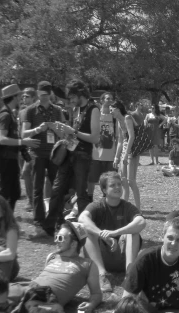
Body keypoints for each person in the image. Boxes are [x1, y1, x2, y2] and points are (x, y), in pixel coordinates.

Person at [45, 79, 99, 233]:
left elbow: (95, 138)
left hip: (82, 156)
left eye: (72, 97)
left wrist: (73, 131)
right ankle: (53, 224)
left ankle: (84, 229)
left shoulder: (94, 109)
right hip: (69, 153)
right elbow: (73, 135)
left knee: (81, 193)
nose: (70, 101)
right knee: (57, 189)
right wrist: (62, 131)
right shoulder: (76, 110)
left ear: (80, 94)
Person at [78, 171, 145, 293]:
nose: (118, 187)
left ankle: (129, 275)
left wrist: (115, 233)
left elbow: (141, 222)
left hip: (122, 255)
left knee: (133, 233)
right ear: (104, 190)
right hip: (101, 256)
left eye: (119, 184)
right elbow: (82, 219)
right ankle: (101, 274)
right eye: (112, 185)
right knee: (87, 231)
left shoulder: (127, 207)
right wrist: (102, 235)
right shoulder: (97, 206)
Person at [22, 81, 66, 233]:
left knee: (57, 187)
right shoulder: (30, 110)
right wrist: (37, 129)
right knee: (37, 188)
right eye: (40, 95)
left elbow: (64, 133)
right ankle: (39, 220)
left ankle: (56, 218)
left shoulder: (57, 110)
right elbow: (23, 133)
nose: (43, 99)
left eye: (46, 95)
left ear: (50, 94)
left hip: (54, 153)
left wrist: (56, 128)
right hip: (37, 153)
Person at [29, 222, 103, 312]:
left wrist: (91, 305)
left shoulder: (88, 265)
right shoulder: (51, 257)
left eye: (60, 238)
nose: (56, 241)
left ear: (73, 244)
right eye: (56, 237)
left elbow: (96, 293)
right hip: (29, 288)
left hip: (44, 298)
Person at [0, 84, 39, 211]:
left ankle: (7, 218)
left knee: (14, 193)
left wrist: (24, 151)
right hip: (5, 159)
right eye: (19, 96)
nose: (21, 98)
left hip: (12, 158)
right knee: (5, 192)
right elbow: (2, 139)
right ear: (13, 97)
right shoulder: (5, 115)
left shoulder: (12, 114)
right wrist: (22, 142)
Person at [89, 91, 124, 201]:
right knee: (92, 179)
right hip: (96, 153)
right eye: (107, 98)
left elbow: (118, 138)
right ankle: (89, 199)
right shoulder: (96, 115)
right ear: (102, 100)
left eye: (111, 99)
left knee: (109, 181)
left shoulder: (114, 117)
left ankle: (107, 200)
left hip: (110, 155)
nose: (109, 101)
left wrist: (117, 155)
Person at [123, 99, 153, 209]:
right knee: (126, 180)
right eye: (141, 104)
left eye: (144, 104)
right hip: (134, 147)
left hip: (133, 148)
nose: (143, 106)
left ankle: (136, 208)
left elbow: (135, 131)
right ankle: (131, 206)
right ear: (137, 105)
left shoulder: (140, 115)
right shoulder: (133, 114)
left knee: (130, 180)